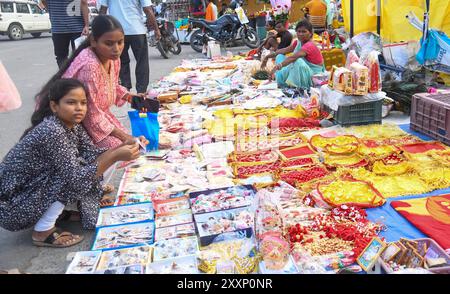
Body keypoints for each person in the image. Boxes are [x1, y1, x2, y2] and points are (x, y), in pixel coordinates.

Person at [0, 79, 141, 247]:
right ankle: (43, 231)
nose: (79, 108)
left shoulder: (72, 125)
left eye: (83, 103)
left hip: (27, 194)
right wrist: (114, 155)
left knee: (101, 157)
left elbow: (91, 153)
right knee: (73, 176)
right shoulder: (52, 130)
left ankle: (61, 212)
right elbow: (74, 178)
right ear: (54, 106)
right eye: (71, 102)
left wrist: (122, 147)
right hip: (12, 208)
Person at [99, 0, 160, 94]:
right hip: (137, 30)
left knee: (122, 61)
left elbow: (102, 11)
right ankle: (141, 90)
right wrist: (156, 29)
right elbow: (148, 10)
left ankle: (125, 88)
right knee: (142, 61)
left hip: (117, 31)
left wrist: (99, 32)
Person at [262, 20, 325, 89]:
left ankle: (298, 87)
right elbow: (284, 50)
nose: (301, 34)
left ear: (310, 33)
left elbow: (293, 58)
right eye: (299, 31)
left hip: (313, 75)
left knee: (297, 61)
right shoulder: (298, 42)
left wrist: (276, 68)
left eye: (304, 31)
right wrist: (267, 57)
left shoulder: (310, 45)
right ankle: (281, 80)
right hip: (302, 69)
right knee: (280, 56)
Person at [40, 0, 90, 68]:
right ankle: (76, 75)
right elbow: (83, 2)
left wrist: (54, 12)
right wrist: (86, 25)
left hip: (58, 27)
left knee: (61, 56)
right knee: (79, 55)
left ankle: (65, 76)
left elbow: (43, 1)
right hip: (77, 27)